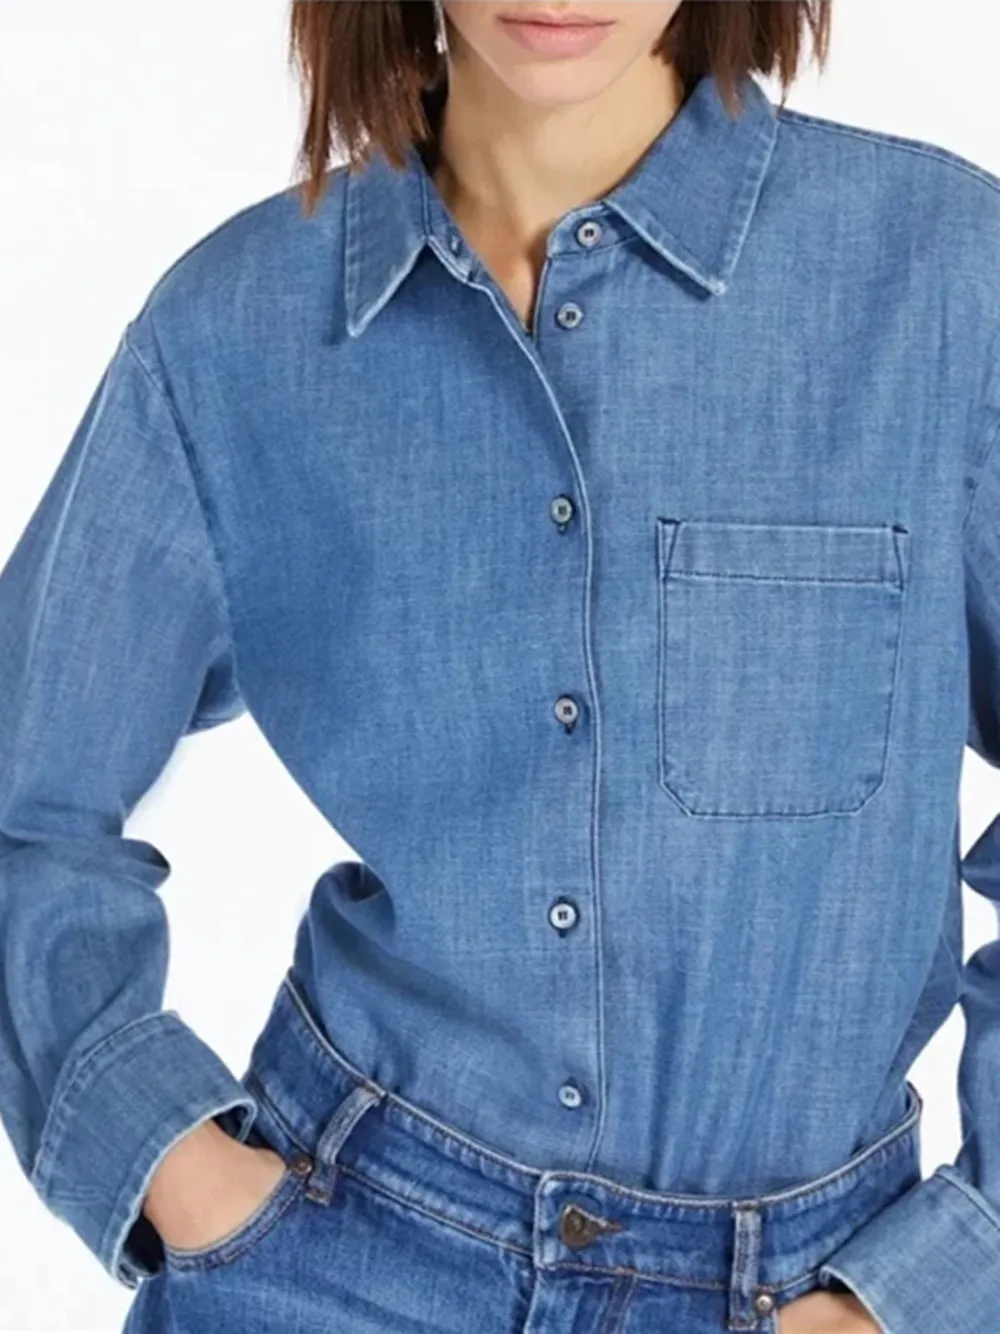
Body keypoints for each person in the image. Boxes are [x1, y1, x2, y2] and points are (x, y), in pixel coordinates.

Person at [1, 1, 998, 1330]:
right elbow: (26, 799)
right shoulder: (235, 332)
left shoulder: (942, 281)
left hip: (806, 1287)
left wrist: (926, 1289)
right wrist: (171, 1162)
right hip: (336, 1255)